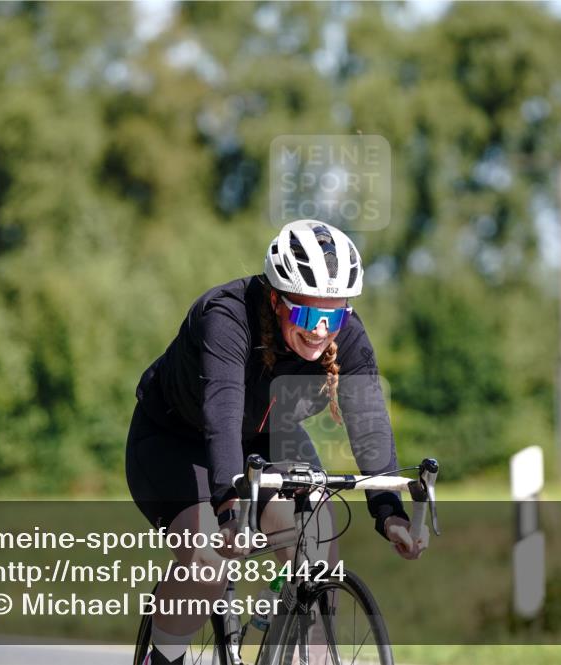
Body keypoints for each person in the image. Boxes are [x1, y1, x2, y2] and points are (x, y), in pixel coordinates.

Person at [126, 220, 428, 665]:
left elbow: (369, 425)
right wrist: (229, 508)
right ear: (276, 300)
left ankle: (310, 653)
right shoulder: (226, 317)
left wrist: (389, 512)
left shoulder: (349, 337)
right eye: (307, 315)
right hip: (176, 439)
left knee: (319, 541)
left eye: (335, 315)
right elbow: (223, 413)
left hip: (269, 439)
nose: (321, 330)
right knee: (209, 557)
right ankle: (164, 657)